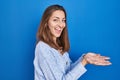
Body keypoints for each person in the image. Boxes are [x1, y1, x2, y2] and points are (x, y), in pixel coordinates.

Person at [33, 4, 111, 80]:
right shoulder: (43, 47)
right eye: (55, 20)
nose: (61, 24)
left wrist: (84, 58)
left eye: (63, 20)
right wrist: (84, 61)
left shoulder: (59, 46)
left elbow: (69, 71)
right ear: (46, 23)